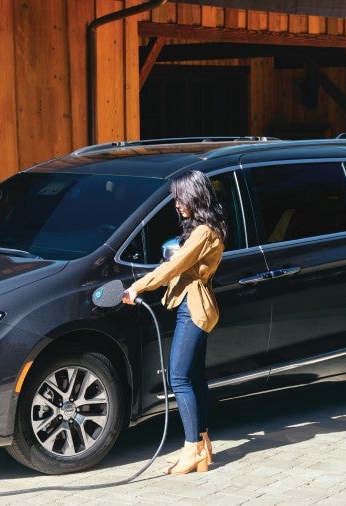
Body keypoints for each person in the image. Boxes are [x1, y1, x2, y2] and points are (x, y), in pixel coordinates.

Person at [122, 170, 226, 475]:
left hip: (193, 308)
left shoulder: (204, 232)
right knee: (194, 377)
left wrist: (137, 286)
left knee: (179, 378)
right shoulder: (204, 229)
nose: (176, 203)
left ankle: (192, 448)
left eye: (180, 196)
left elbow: (175, 266)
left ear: (194, 195)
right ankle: (202, 444)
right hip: (197, 305)